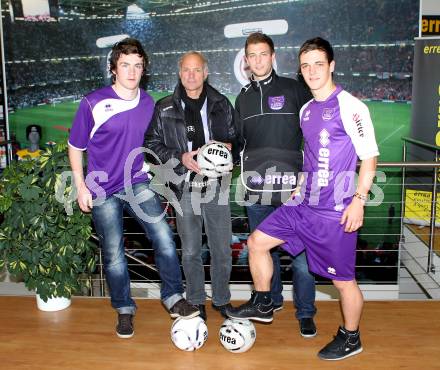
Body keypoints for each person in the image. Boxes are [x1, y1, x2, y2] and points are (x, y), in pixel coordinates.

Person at [226, 37, 379, 361]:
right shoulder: (307, 110)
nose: (311, 71)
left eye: (318, 64)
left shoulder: (351, 106)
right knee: (256, 243)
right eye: (306, 65)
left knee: (343, 282)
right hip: (302, 204)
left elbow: (369, 157)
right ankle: (265, 300)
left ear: (331, 66)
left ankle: (351, 337)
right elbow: (310, 155)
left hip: (334, 212)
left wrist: (359, 200)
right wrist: (299, 186)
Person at [68, 38, 199, 339]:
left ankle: (173, 297)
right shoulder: (93, 102)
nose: (132, 71)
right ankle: (124, 309)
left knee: (164, 236)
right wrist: (79, 187)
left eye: (137, 65)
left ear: (143, 70)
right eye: (125, 64)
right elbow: (75, 147)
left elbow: (156, 144)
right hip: (101, 190)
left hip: (136, 181)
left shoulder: (149, 103)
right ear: (113, 68)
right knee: (113, 254)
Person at [234, 32, 317, 337]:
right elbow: (238, 144)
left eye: (263, 54)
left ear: (273, 56)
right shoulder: (242, 98)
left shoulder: (295, 90)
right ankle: (271, 300)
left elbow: (313, 137)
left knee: (302, 256)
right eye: (252, 55)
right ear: (246, 60)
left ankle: (306, 312)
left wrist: (307, 180)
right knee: (263, 250)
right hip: (257, 190)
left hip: (294, 192)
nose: (257, 60)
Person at [145, 51, 236, 321]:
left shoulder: (221, 104)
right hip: (183, 186)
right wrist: (180, 157)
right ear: (179, 72)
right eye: (186, 70)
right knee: (192, 250)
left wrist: (229, 148)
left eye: (197, 70)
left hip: (216, 185)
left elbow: (236, 139)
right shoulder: (164, 108)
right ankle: (196, 300)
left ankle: (221, 299)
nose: (192, 75)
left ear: (206, 72)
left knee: (221, 248)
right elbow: (150, 145)